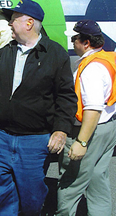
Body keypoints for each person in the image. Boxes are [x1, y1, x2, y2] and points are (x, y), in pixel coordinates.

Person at [0, 0, 77, 216]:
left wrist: (61, 130)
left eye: (13, 20)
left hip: (34, 140)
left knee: (31, 198)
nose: (9, 24)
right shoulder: (4, 51)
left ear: (29, 23)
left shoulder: (54, 54)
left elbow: (66, 96)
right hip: (1, 136)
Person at [56, 20, 116, 216]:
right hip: (109, 127)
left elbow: (92, 108)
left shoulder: (91, 69)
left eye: (75, 39)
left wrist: (81, 141)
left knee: (71, 182)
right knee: (98, 177)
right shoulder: (107, 59)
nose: (72, 43)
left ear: (86, 42)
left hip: (90, 130)